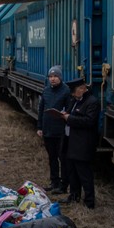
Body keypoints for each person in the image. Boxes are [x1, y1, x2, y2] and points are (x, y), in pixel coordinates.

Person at [50, 78, 100, 209]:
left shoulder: (92, 102)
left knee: (84, 174)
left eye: (77, 91)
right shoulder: (74, 101)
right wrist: (64, 115)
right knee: (71, 171)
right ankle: (74, 195)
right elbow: (71, 114)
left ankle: (89, 202)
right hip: (70, 142)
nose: (73, 94)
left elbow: (89, 121)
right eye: (73, 92)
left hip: (82, 145)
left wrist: (69, 118)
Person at [37, 65, 71, 194]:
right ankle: (54, 182)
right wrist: (39, 127)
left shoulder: (66, 91)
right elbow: (41, 110)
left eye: (55, 76)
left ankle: (63, 185)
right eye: (50, 77)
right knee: (52, 158)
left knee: (62, 158)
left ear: (60, 78)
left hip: (61, 131)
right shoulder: (46, 91)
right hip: (48, 130)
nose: (53, 79)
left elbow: (69, 110)